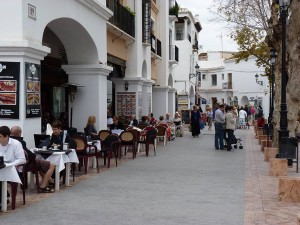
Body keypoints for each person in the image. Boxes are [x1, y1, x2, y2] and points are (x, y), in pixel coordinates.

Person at [10, 126, 55, 193]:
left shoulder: (9, 141)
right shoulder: (20, 142)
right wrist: (34, 155)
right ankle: (43, 186)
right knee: (52, 165)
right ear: (19, 134)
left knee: (41, 165)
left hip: (15, 164)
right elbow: (29, 155)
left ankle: (51, 182)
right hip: (26, 164)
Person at [0, 126, 26, 208]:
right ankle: (3, 198)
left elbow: (22, 159)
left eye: (0, 136)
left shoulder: (16, 144)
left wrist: (10, 165)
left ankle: (3, 200)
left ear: (6, 136)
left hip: (14, 169)